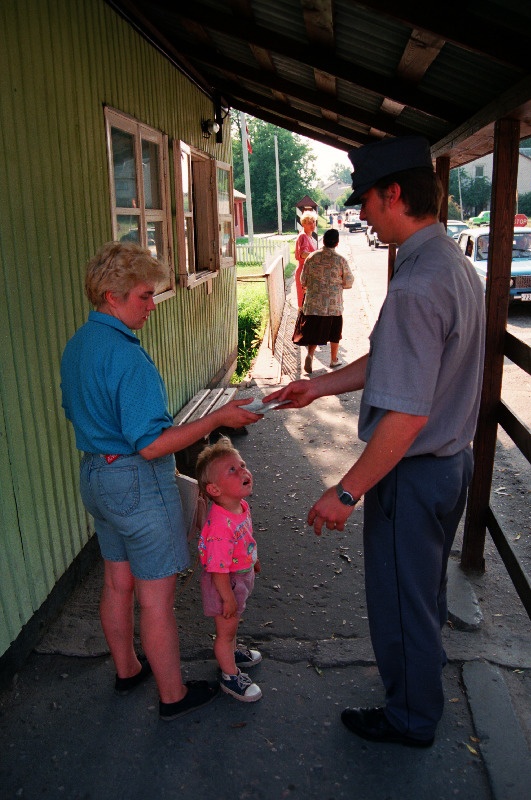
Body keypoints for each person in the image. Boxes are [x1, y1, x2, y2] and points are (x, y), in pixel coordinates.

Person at [266, 135, 486, 747]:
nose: (362, 211)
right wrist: (319, 387)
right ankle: (421, 684)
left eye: (367, 199)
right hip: (451, 465)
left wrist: (346, 490)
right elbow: (396, 359)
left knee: (400, 601)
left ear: (395, 194)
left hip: (413, 472)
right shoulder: (449, 263)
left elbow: (406, 416)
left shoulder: (417, 284)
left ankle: (411, 719)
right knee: (424, 593)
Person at [60, 241, 262, 722]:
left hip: (96, 474)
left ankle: (128, 669)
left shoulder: (78, 345)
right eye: (144, 297)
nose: (152, 306)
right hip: (134, 481)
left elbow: (74, 411)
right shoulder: (128, 358)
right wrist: (220, 415)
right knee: (156, 600)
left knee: (117, 580)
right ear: (112, 295)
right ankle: (173, 696)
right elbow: (151, 444)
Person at [196, 436, 262, 702]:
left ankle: (232, 651)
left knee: (231, 627)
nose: (243, 471)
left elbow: (246, 537)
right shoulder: (220, 528)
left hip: (238, 577)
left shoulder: (239, 506)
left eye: (242, 464)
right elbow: (217, 571)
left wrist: (253, 558)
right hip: (226, 585)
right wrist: (227, 598)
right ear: (214, 489)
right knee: (225, 631)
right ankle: (229, 676)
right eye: (232, 470)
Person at [292, 227, 354, 374]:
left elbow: (303, 280)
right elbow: (349, 281)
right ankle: (333, 359)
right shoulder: (341, 260)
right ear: (337, 243)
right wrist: (339, 285)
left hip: (313, 304)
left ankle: (310, 355)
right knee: (334, 332)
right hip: (333, 305)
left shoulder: (311, 257)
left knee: (314, 330)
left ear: (323, 241)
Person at [294, 211, 318, 309]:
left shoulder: (310, 236)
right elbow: (303, 254)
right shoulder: (303, 236)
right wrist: (318, 255)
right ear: (303, 224)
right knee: (304, 303)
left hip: (309, 272)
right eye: (309, 223)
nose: (312, 224)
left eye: (313, 222)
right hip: (304, 272)